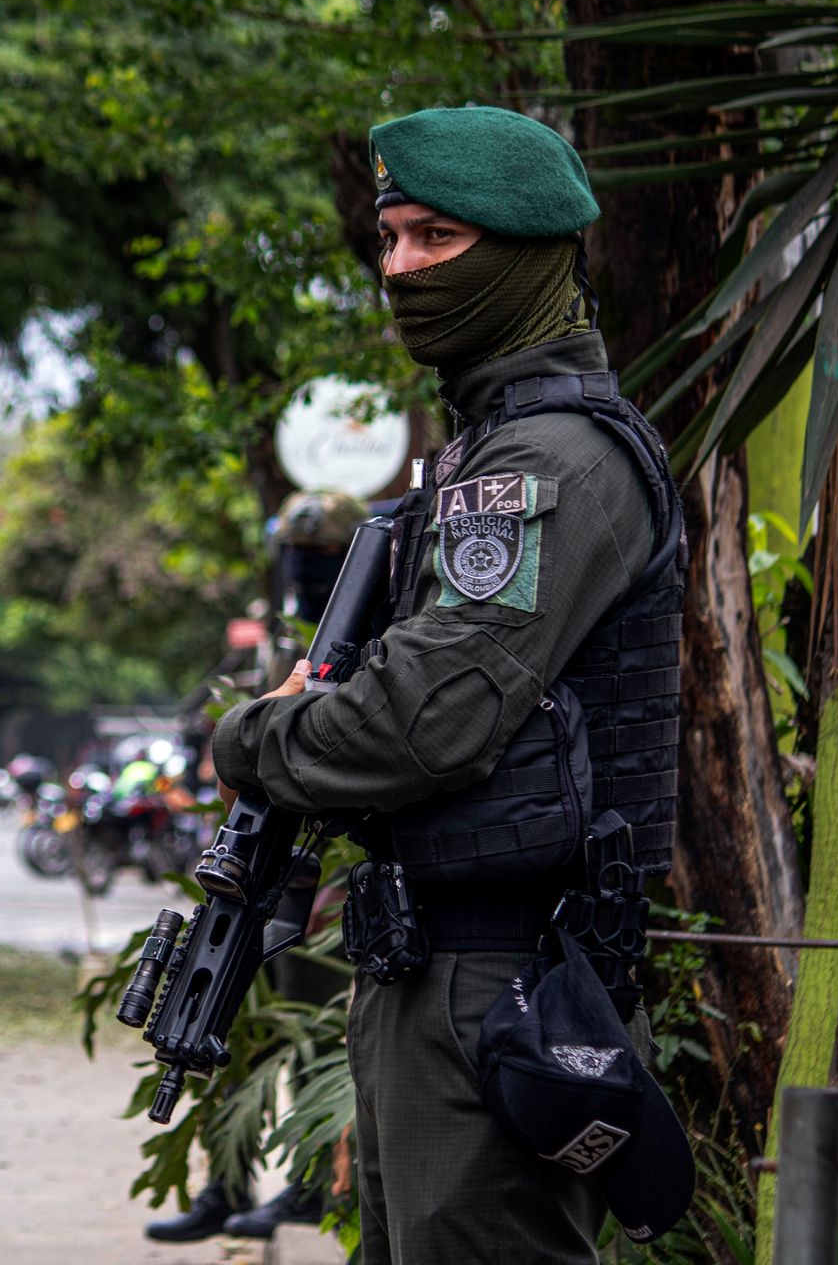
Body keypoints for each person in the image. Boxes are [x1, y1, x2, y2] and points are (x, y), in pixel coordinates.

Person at [211, 106, 686, 1263]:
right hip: (438, 967)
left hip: (501, 981)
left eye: (437, 238)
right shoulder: (488, 450)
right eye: (391, 239)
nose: (400, 268)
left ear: (525, 254)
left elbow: (420, 724)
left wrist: (250, 737)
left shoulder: (552, 464)